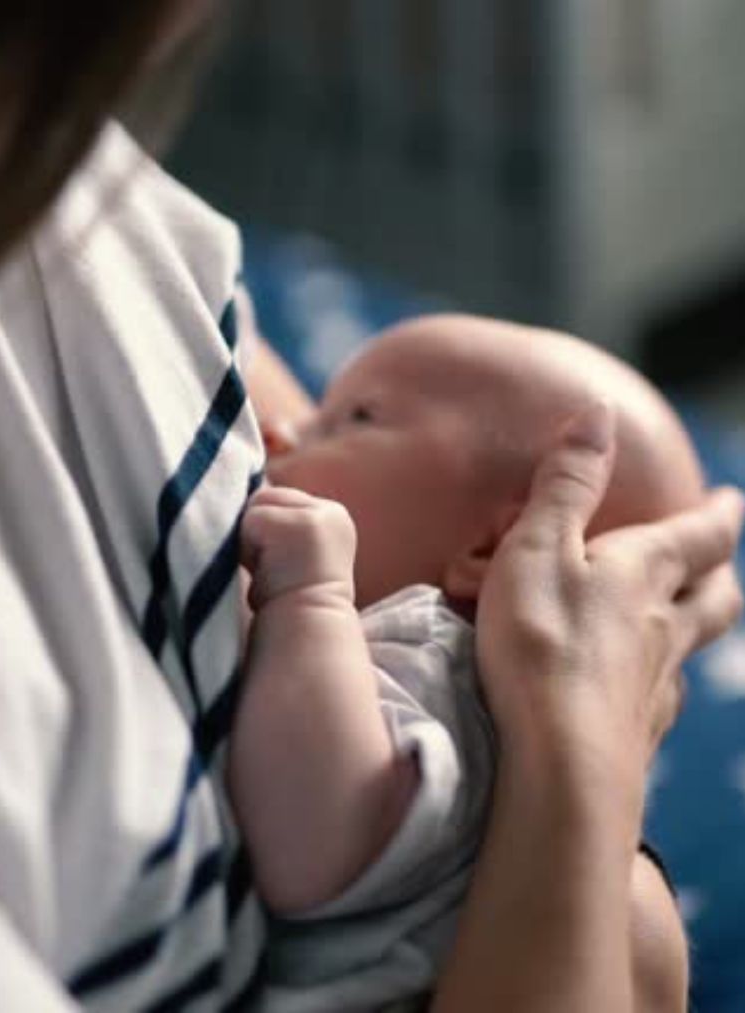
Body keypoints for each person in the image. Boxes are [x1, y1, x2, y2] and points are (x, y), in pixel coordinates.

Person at [0, 6, 745, 1012]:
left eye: (353, 418)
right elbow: (324, 834)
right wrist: (581, 737)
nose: (293, 435)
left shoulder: (30, 166)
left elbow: (291, 463)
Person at [230, 314, 709, 1009]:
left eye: (354, 417)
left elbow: (311, 848)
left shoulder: (438, 666)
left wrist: (311, 599)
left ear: (493, 548)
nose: (283, 428)